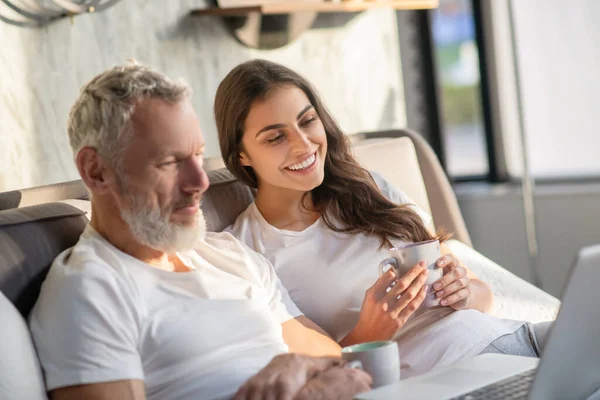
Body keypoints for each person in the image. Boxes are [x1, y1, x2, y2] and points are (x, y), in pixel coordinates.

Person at [28, 62, 372, 400]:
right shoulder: (92, 291)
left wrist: (300, 366)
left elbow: (340, 364)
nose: (200, 182)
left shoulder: (230, 255)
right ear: (96, 171)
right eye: (170, 163)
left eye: (198, 155)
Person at [215, 59, 553, 378]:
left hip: (520, 340)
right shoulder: (245, 253)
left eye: (308, 121)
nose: (304, 146)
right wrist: (371, 331)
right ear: (242, 154)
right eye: (275, 137)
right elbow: (314, 375)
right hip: (457, 376)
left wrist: (464, 292)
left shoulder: (370, 189)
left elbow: (483, 295)